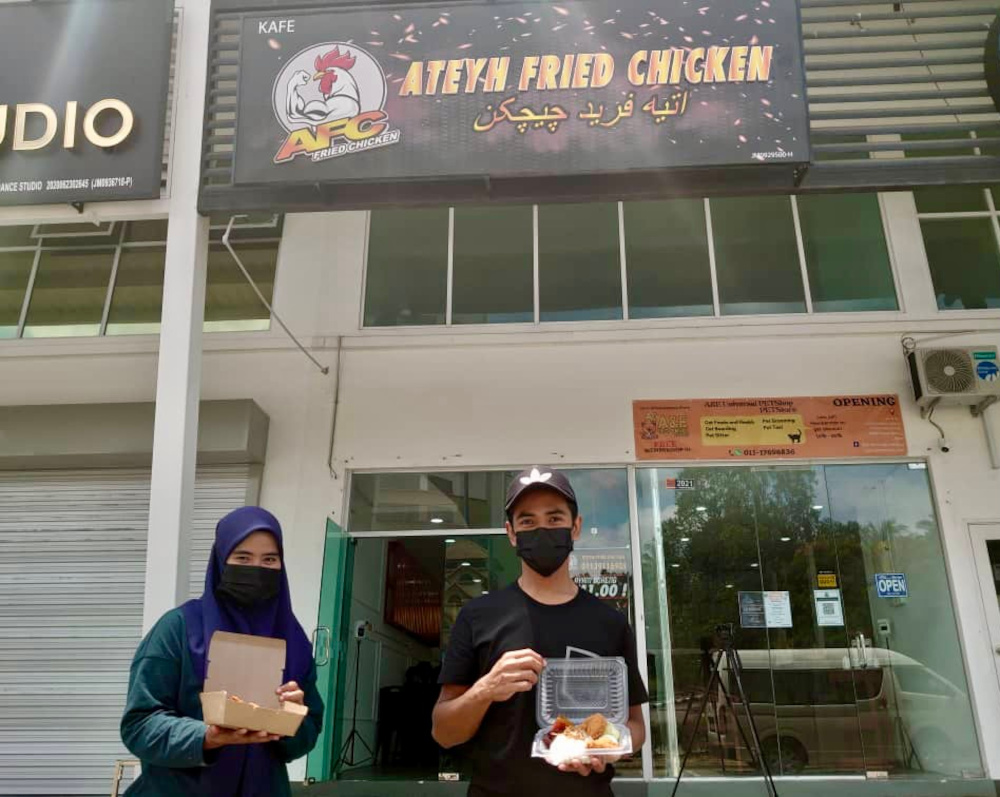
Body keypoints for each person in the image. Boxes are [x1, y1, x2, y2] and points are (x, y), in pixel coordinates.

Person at [432, 467, 648, 797]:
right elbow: (443, 732)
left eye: (554, 518)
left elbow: (636, 726)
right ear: (511, 533)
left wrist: (609, 750)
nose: (542, 530)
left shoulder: (610, 622)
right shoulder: (477, 616)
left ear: (575, 527)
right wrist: (486, 688)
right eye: (528, 521)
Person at [120, 506, 324, 796]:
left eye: (269, 559)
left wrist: (293, 718)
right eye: (243, 557)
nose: (256, 568)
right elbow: (139, 725)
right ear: (221, 560)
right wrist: (206, 737)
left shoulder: (293, 641)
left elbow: (307, 734)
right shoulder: (179, 628)